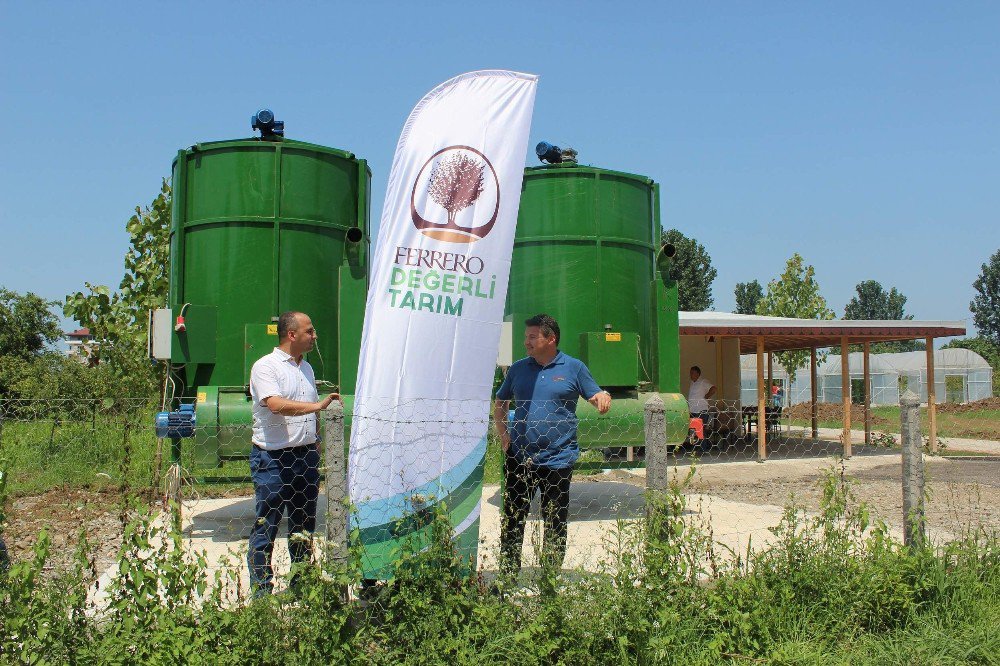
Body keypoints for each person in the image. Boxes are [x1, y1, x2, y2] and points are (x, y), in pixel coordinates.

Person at [493, 314, 611, 576]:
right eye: (526, 337)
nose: (526, 342)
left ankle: (550, 577)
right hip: (520, 457)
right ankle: (508, 576)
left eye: (532, 337)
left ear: (551, 339)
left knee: (555, 520)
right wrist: (503, 433)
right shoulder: (518, 369)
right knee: (513, 518)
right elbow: (500, 402)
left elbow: (595, 395)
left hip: (557, 460)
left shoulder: (574, 368)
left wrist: (603, 397)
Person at [248, 311, 340, 596]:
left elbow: (308, 408)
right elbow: (275, 404)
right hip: (273, 460)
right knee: (267, 526)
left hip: (305, 457)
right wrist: (319, 407)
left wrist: (316, 441)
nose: (315, 336)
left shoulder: (306, 369)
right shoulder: (266, 367)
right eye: (309, 331)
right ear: (291, 335)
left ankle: (303, 584)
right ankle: (262, 593)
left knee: (304, 526)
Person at [687, 366, 717, 446]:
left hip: (701, 411)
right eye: (690, 373)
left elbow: (713, 388)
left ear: (697, 374)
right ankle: (695, 449)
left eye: (692, 373)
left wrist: (707, 396)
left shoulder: (703, 382)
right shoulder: (692, 383)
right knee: (693, 431)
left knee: (700, 431)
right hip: (692, 411)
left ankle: (702, 450)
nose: (690, 375)